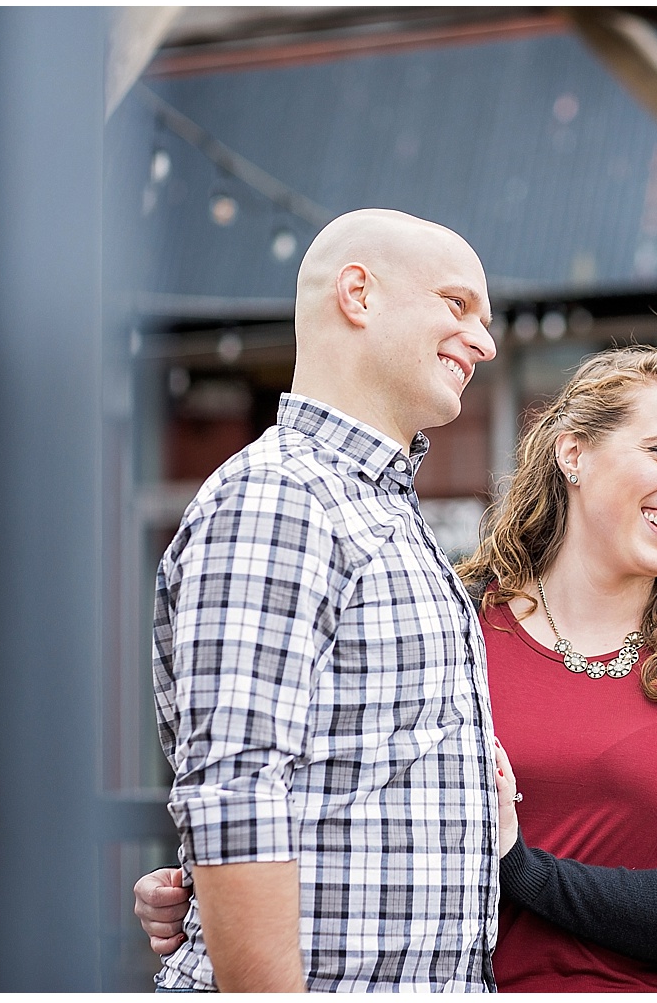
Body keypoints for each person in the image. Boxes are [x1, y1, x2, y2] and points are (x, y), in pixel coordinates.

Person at [138, 346, 657, 992]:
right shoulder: (450, 617)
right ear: (573, 453)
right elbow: (325, 793)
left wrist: (526, 871)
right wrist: (206, 895)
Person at [147, 208, 502, 992]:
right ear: (358, 294)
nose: (486, 341)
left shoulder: (380, 508)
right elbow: (237, 790)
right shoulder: (279, 498)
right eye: (457, 305)